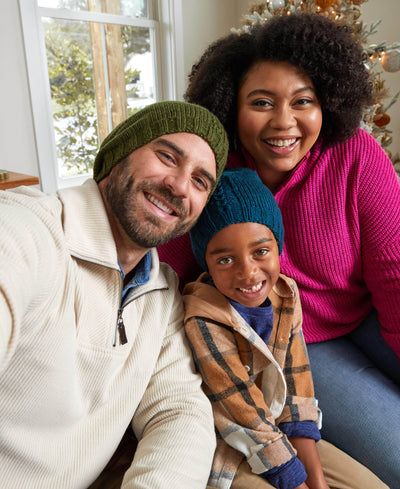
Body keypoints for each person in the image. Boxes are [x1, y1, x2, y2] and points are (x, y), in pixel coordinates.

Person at [157, 13, 400, 488]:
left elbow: (394, 276)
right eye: (262, 102)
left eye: (303, 101)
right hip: (289, 343)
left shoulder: (356, 154)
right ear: (232, 107)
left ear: (328, 102)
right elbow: (171, 277)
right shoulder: (208, 169)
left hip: (366, 314)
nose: (284, 122)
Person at [0, 101, 229, 489]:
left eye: (200, 181)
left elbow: (179, 412)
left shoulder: (163, 293)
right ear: (118, 153)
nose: (178, 185)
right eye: (166, 156)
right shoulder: (26, 230)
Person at [183, 167, 388, 489]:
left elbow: (297, 387)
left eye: (261, 251)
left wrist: (315, 480)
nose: (248, 273)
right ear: (205, 263)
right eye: (225, 260)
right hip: (228, 441)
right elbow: (242, 413)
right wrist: (294, 480)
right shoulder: (203, 318)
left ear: (278, 248)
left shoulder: (286, 295)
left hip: (278, 430)